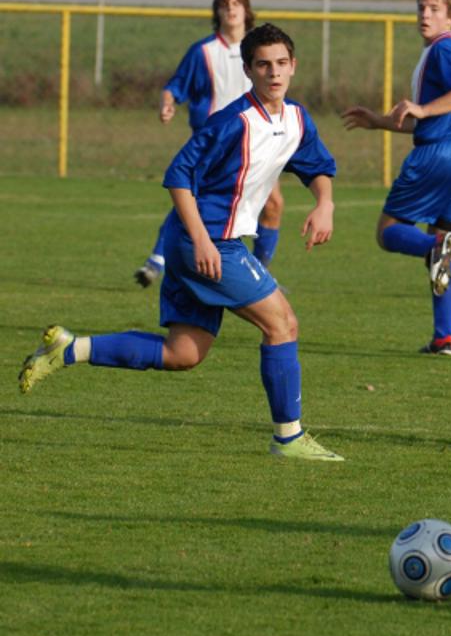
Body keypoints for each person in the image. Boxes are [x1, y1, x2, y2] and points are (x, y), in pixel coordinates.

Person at [19, 23, 344, 462]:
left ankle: (70, 348)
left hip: (204, 241)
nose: (274, 72)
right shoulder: (233, 122)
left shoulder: (296, 118)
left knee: (183, 353)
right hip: (207, 242)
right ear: (248, 70)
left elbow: (317, 164)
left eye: (281, 63)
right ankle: (288, 437)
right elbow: (178, 177)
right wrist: (202, 241)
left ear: (293, 67)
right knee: (282, 324)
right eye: (263, 64)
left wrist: (324, 203)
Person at [341, 0, 451, 356]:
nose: (425, 15)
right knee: (443, 254)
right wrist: (379, 121)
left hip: (439, 154)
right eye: (421, 8)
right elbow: (426, 118)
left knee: (389, 233)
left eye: (435, 9)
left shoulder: (445, 48)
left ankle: (434, 246)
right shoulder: (436, 52)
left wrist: (421, 109)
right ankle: (445, 337)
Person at [134, 0, 286, 287]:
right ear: (217, 12)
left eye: (237, 4)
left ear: (246, 10)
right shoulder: (203, 51)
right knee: (193, 200)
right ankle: (156, 260)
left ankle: (259, 272)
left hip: (258, 143)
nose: (231, 10)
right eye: (225, 5)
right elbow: (176, 86)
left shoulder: (261, 53)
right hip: (215, 146)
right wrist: (167, 103)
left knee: (273, 205)